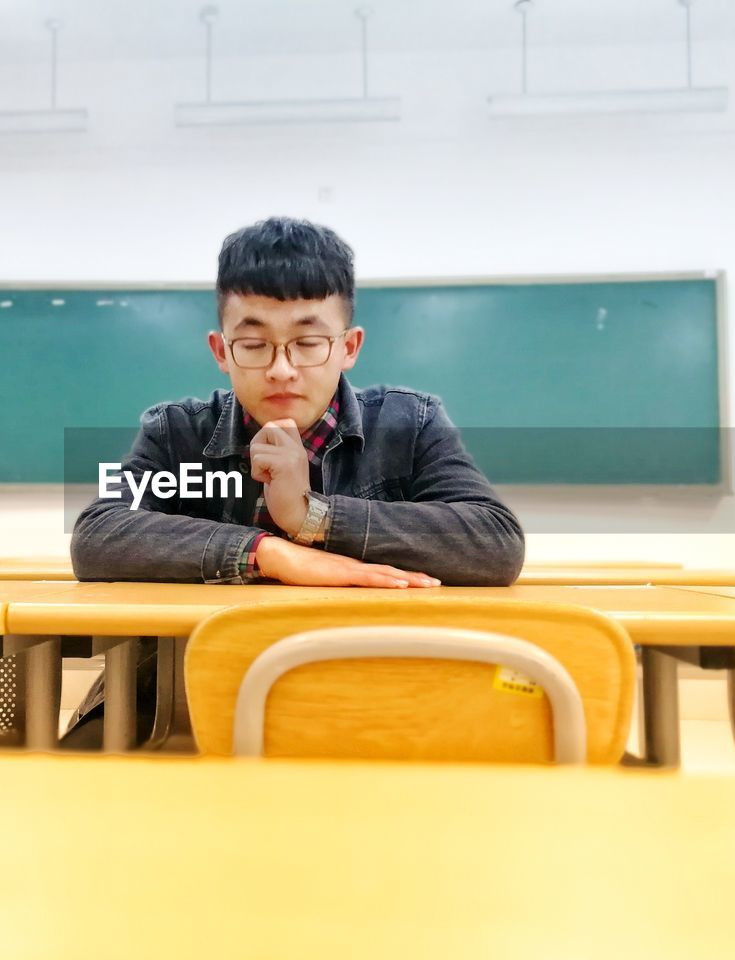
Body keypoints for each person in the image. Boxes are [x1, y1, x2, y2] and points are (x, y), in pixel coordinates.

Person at [63, 216, 525, 748]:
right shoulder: (176, 433)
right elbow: (97, 537)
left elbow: (495, 542)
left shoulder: (409, 424)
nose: (282, 369)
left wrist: (312, 516)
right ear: (220, 351)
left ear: (349, 346)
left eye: (307, 342)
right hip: (190, 687)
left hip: (369, 679)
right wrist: (267, 552)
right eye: (254, 345)